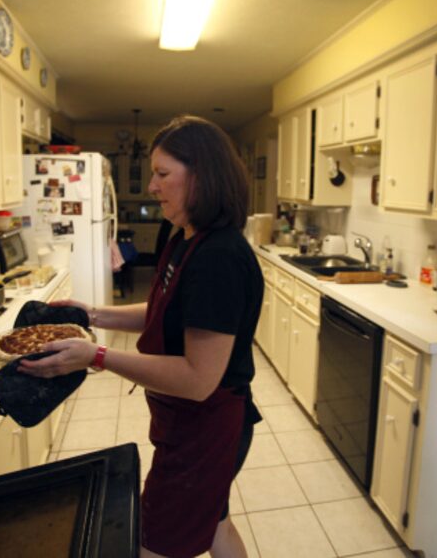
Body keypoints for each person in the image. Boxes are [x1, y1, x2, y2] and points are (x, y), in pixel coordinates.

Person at [19, 115, 264, 558]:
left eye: (163, 173)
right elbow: (167, 311)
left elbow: (197, 378)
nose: (152, 185)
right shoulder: (185, 237)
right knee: (215, 525)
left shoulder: (219, 258)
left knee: (156, 543)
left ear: (202, 177)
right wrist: (94, 313)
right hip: (188, 422)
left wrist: (95, 356)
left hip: (206, 428)